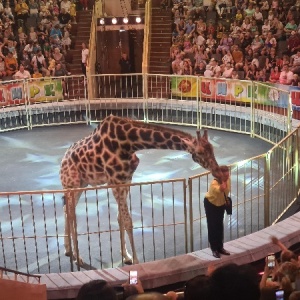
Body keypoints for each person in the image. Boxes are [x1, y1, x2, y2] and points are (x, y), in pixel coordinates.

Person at [204, 165, 231, 258]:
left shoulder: (228, 180)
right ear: (220, 176)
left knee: (219, 225)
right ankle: (214, 248)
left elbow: (226, 191)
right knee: (212, 226)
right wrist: (221, 188)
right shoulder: (214, 183)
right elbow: (217, 190)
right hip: (211, 205)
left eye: (228, 175)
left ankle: (220, 247)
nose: (228, 178)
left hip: (220, 204)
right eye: (225, 176)